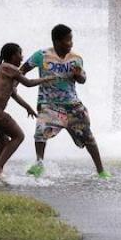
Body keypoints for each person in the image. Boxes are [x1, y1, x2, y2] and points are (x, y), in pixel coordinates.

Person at [20, 24, 111, 179]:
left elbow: (83, 79)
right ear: (57, 41)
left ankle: (101, 171)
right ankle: (39, 164)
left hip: (72, 105)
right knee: (40, 133)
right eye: (68, 40)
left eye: (71, 39)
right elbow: (22, 71)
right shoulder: (41, 55)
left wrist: (78, 75)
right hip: (49, 104)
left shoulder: (76, 59)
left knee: (88, 137)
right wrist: (13, 85)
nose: (71, 43)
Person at [0, 43, 56, 184]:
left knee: (3, 143)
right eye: (20, 53)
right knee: (19, 136)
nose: (22, 57)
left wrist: (27, 107)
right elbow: (29, 83)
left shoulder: (3, 70)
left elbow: (13, 94)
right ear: (13, 56)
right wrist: (46, 79)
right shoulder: (9, 67)